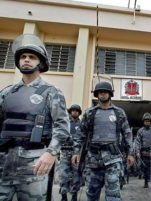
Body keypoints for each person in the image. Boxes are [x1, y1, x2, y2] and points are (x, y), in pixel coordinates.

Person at [0, 34, 70, 200]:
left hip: (35, 162)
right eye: (23, 57)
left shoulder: (52, 93)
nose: (26, 60)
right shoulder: (6, 92)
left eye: (32, 57)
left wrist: (51, 153)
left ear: (40, 63)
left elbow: (62, 127)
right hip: (3, 161)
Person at [71, 81, 134, 201]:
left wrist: (130, 153)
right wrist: (76, 152)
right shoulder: (90, 113)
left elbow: (127, 134)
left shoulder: (119, 112)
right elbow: (80, 134)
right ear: (97, 94)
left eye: (105, 92)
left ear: (110, 94)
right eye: (100, 92)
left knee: (113, 194)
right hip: (93, 158)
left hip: (114, 158)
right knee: (92, 193)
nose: (103, 94)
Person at [58, 104, 82, 201]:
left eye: (76, 110)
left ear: (79, 112)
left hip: (77, 153)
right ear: (70, 112)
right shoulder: (65, 123)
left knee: (76, 175)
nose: (74, 112)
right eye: (73, 110)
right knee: (63, 174)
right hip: (65, 151)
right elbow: (60, 135)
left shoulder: (82, 124)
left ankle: (74, 195)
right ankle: (63, 195)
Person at [135, 112, 151, 193]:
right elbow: (137, 142)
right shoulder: (140, 131)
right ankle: (146, 181)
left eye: (148, 121)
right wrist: (137, 151)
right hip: (144, 153)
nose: (147, 122)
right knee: (145, 169)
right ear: (143, 122)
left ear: (150, 121)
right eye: (146, 121)